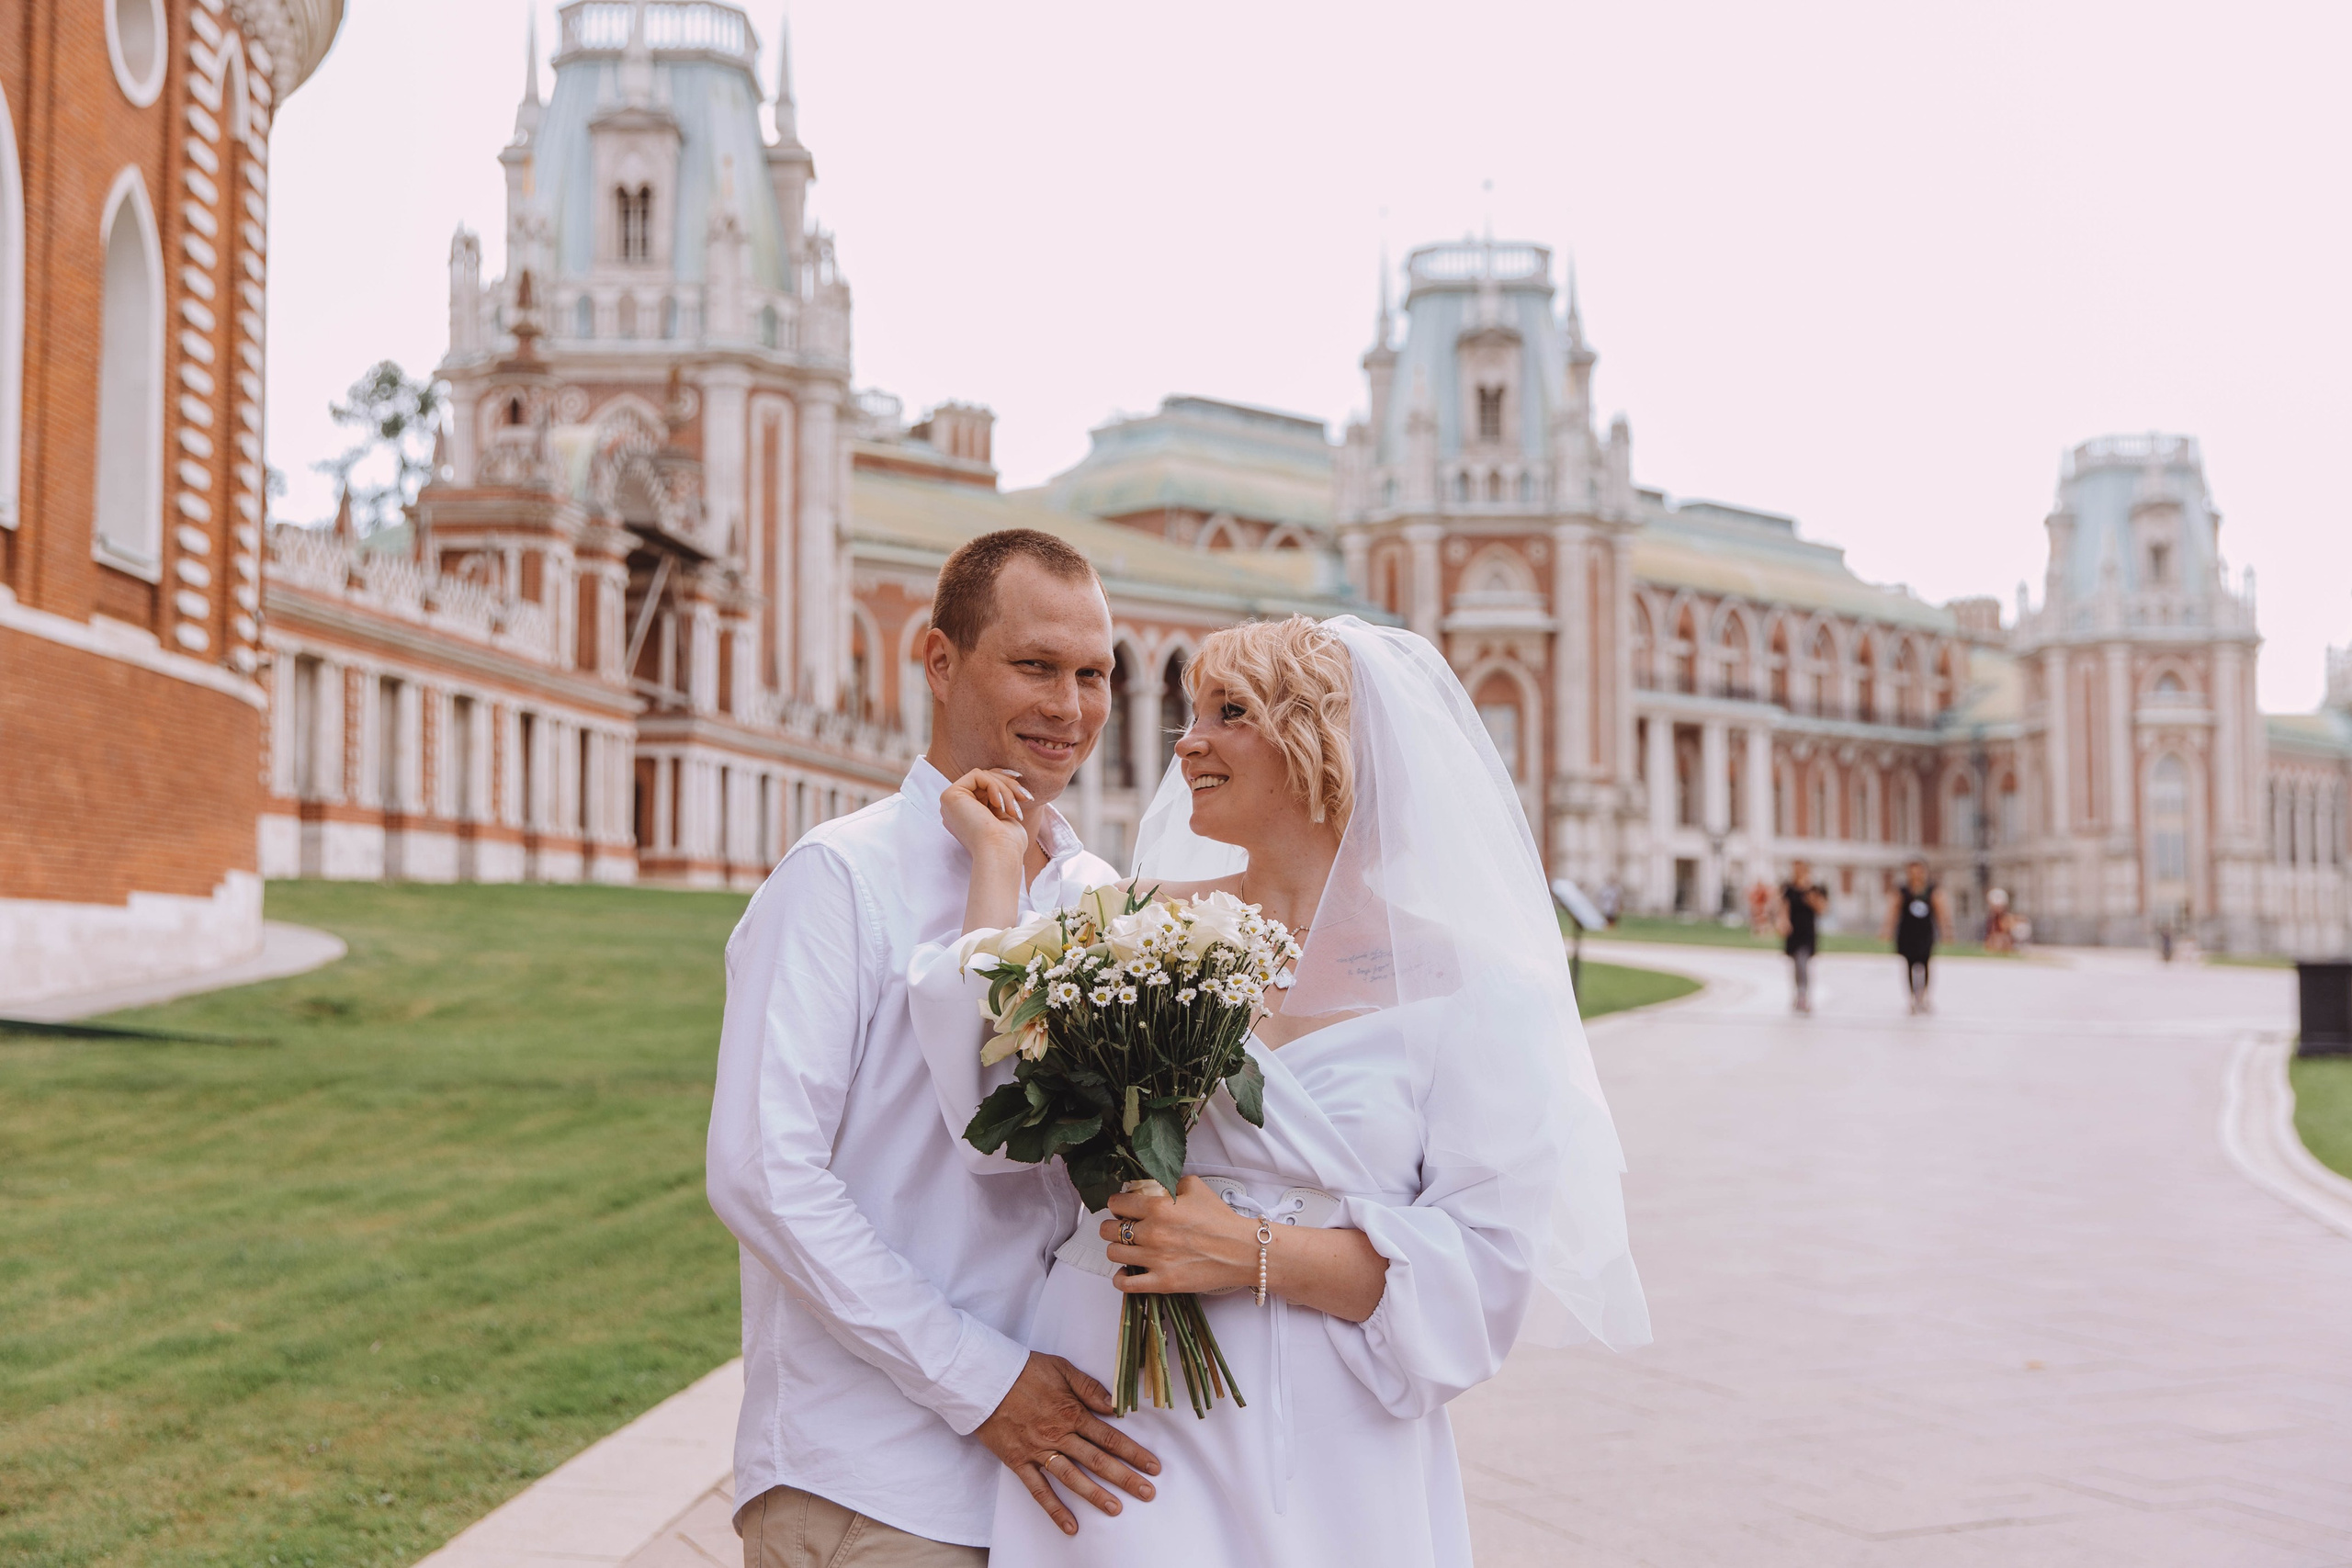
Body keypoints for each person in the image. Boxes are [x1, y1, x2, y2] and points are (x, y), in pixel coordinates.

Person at [913, 615, 1648, 1566]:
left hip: (1333, 1427)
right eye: (1191, 713)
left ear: (1321, 745)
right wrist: (998, 866)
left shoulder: (1472, 987)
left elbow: (1487, 1269)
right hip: (1120, 1405)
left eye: (1231, 713)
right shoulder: (1132, 922)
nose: (1187, 743)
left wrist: (1247, 1250)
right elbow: (986, 1070)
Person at [707, 530, 1163, 1567]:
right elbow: (762, 1174)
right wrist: (981, 1381)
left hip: (1059, 1489)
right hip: (874, 1486)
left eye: (1093, 675)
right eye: (1036, 666)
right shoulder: (839, 878)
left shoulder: (1099, 901)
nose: (1070, 707)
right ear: (940, 660)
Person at [1884, 858, 1953, 1014]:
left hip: (1925, 933)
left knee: (1925, 964)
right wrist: (1887, 929)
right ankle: (1912, 999)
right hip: (1907, 933)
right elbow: (1893, 910)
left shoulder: (1932, 890)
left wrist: (1946, 931)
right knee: (1909, 965)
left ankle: (1924, 997)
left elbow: (1941, 911)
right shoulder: (1902, 890)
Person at [1775, 860, 1827, 1015]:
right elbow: (1783, 907)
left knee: (1802, 962)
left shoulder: (1814, 888)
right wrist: (1782, 922)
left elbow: (1822, 909)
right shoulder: (1788, 888)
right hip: (1793, 931)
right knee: (1796, 965)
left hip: (1807, 931)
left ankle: (1803, 995)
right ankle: (1799, 993)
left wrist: (1810, 895)